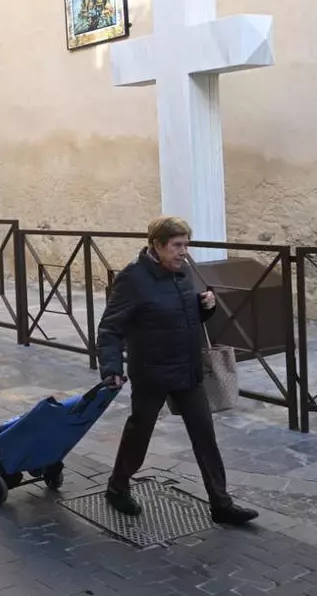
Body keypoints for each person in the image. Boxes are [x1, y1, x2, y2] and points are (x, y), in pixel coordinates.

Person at [96, 216, 259, 525]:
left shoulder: (183, 272)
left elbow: (184, 315)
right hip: (152, 371)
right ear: (156, 245)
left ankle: (221, 504)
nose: (184, 252)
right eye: (177, 245)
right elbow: (110, 328)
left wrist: (206, 307)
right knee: (139, 432)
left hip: (187, 369)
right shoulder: (133, 279)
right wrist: (111, 367)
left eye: (186, 245)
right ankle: (118, 486)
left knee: (205, 436)